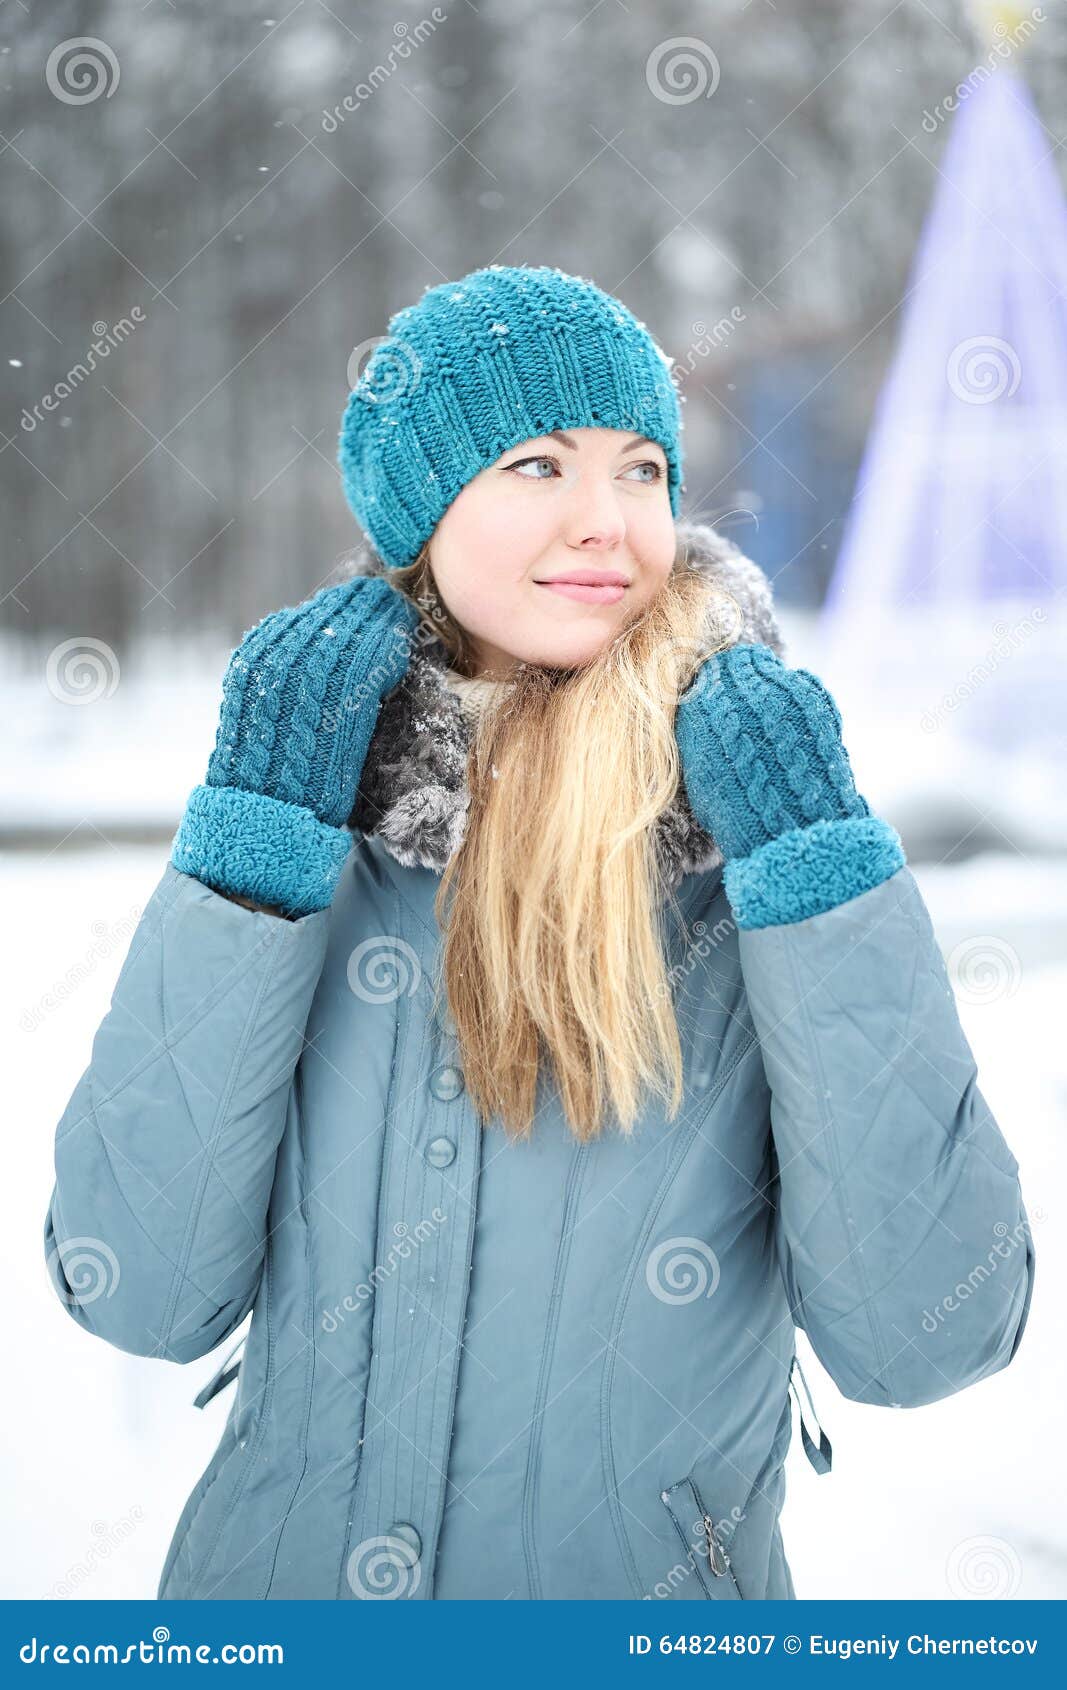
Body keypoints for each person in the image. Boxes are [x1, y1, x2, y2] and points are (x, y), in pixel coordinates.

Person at [43, 263, 1035, 1602]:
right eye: (535, 464)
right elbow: (137, 1289)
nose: (609, 522)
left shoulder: (750, 841)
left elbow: (928, 1332)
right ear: (420, 512)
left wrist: (818, 880)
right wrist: (248, 850)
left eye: (641, 469)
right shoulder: (309, 826)